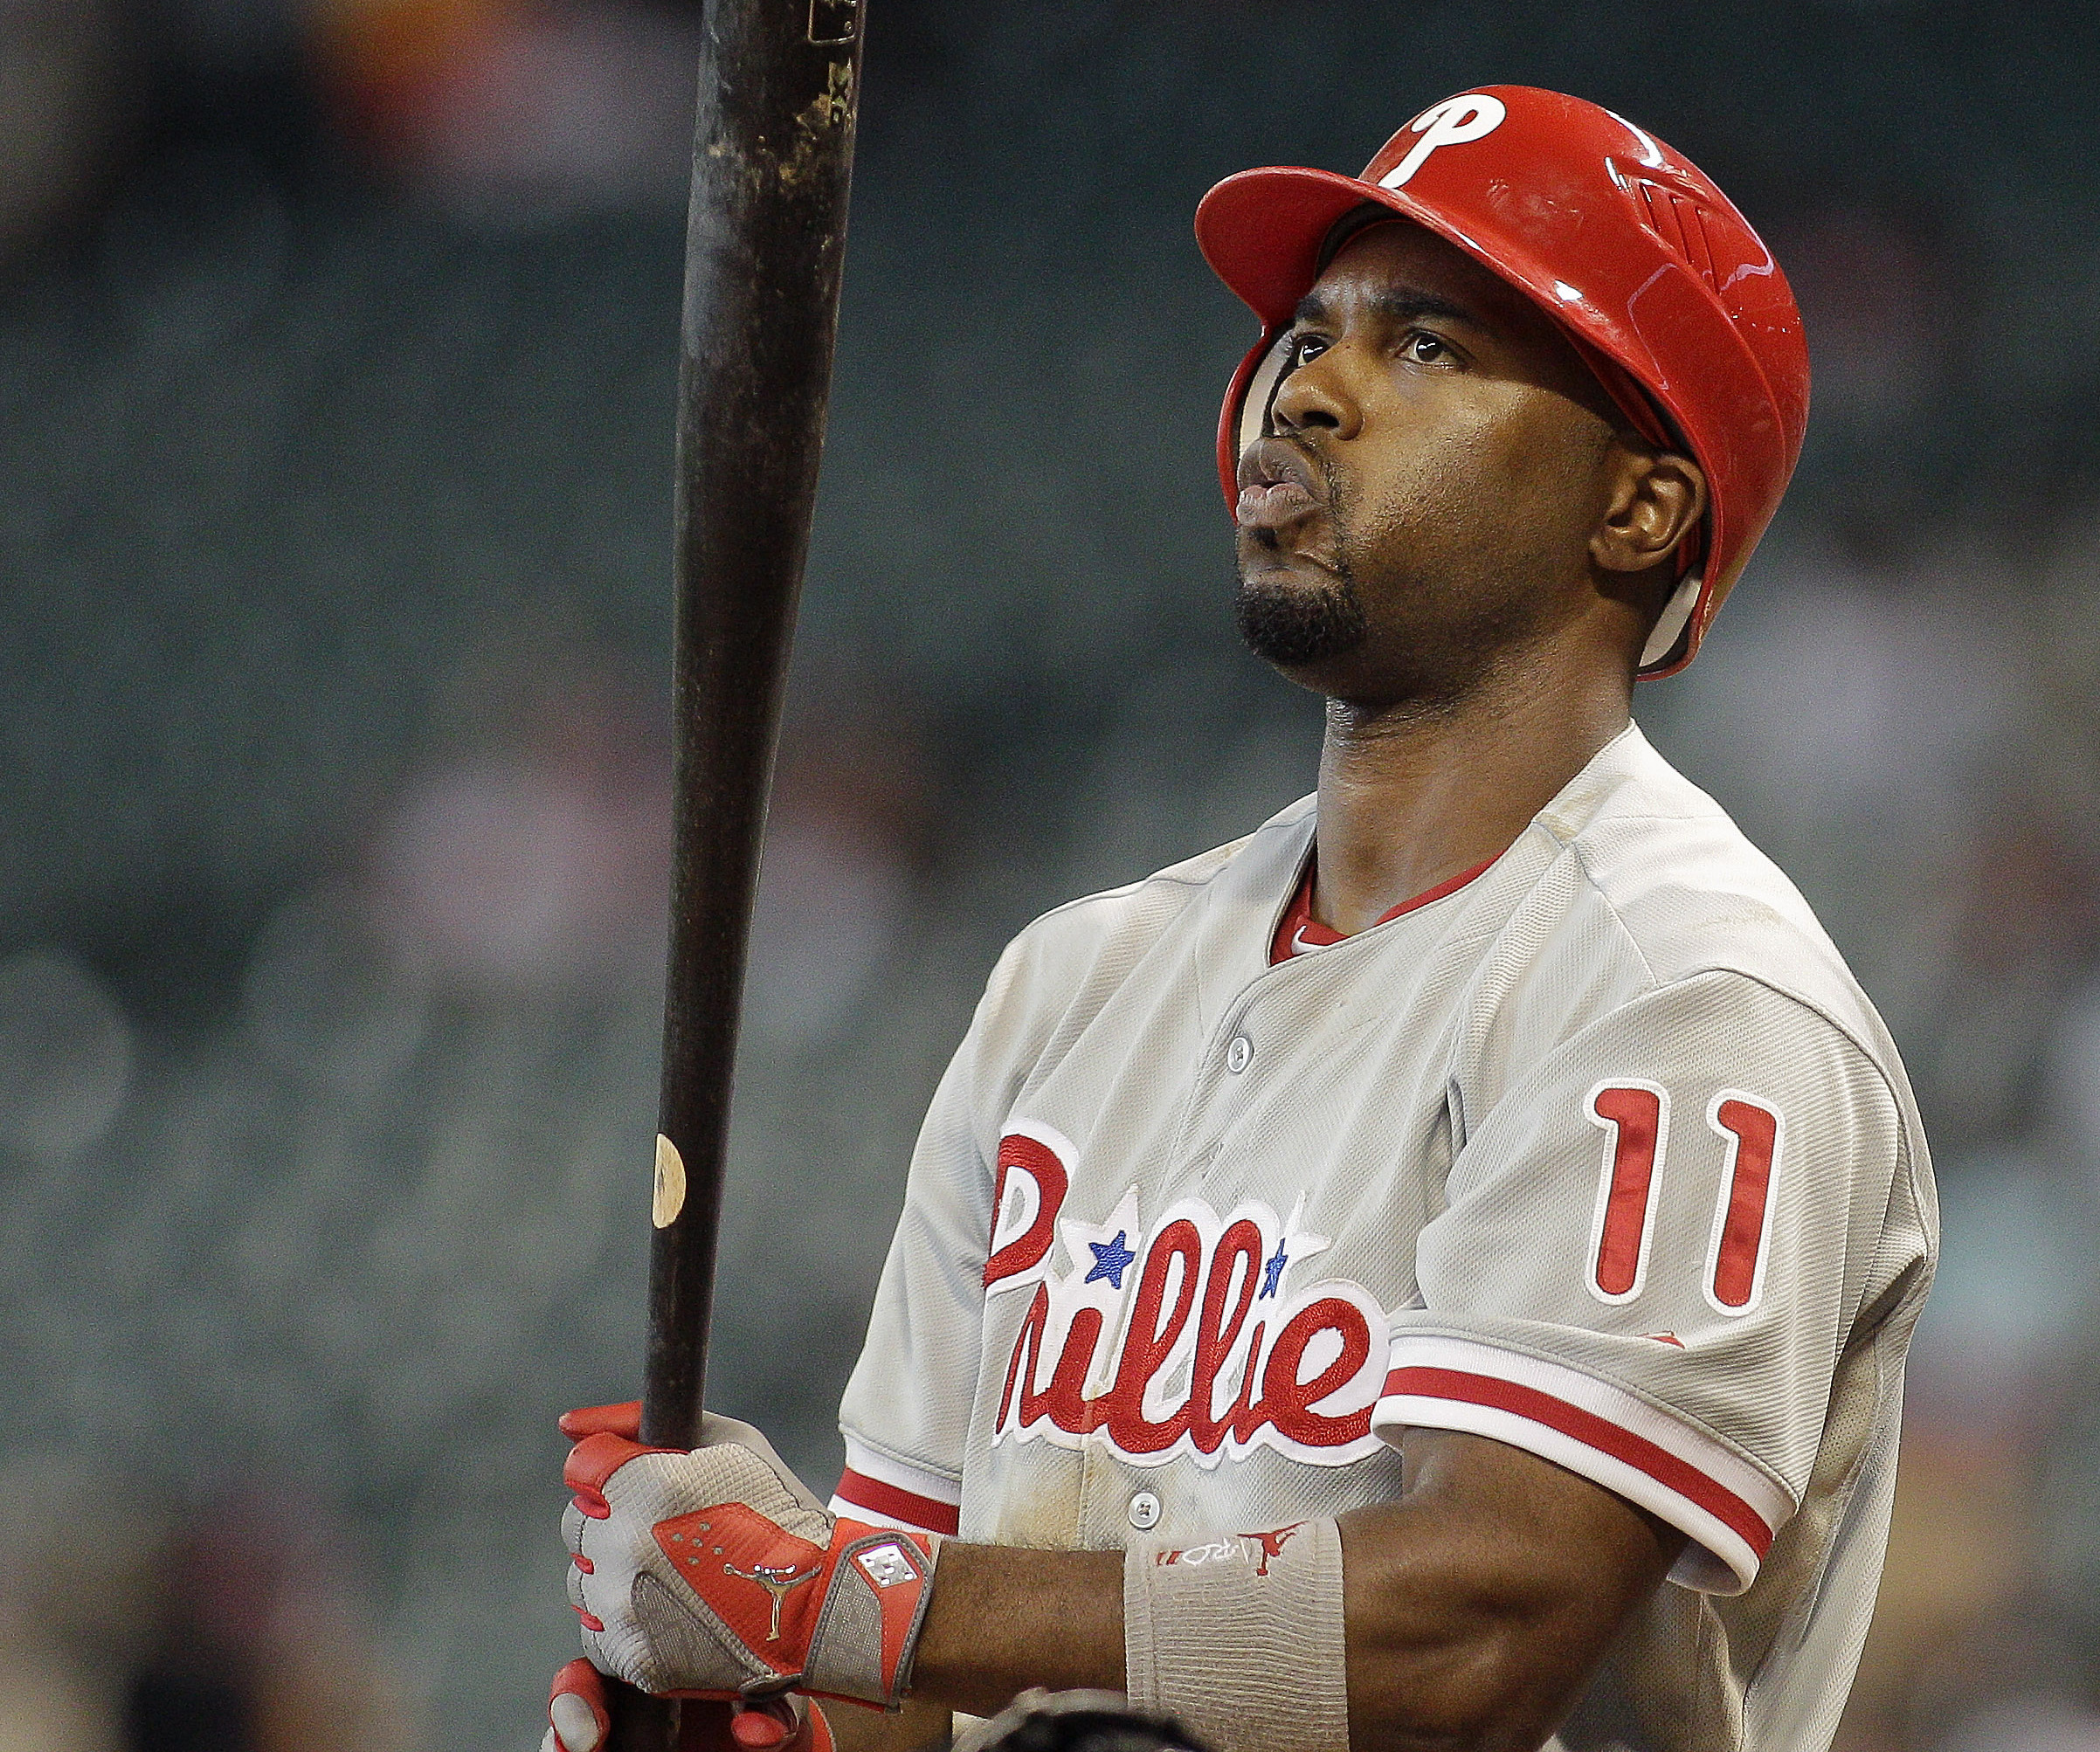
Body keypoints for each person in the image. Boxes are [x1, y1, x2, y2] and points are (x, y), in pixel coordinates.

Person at [541, 86, 1935, 1752]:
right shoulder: (1074, 981)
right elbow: (923, 1667)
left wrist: (836, 1604)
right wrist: (772, 1708)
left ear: (1638, 509)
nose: (1313, 388)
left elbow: (1483, 1629)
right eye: (1308, 332)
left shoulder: (1687, 994)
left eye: (1425, 346)